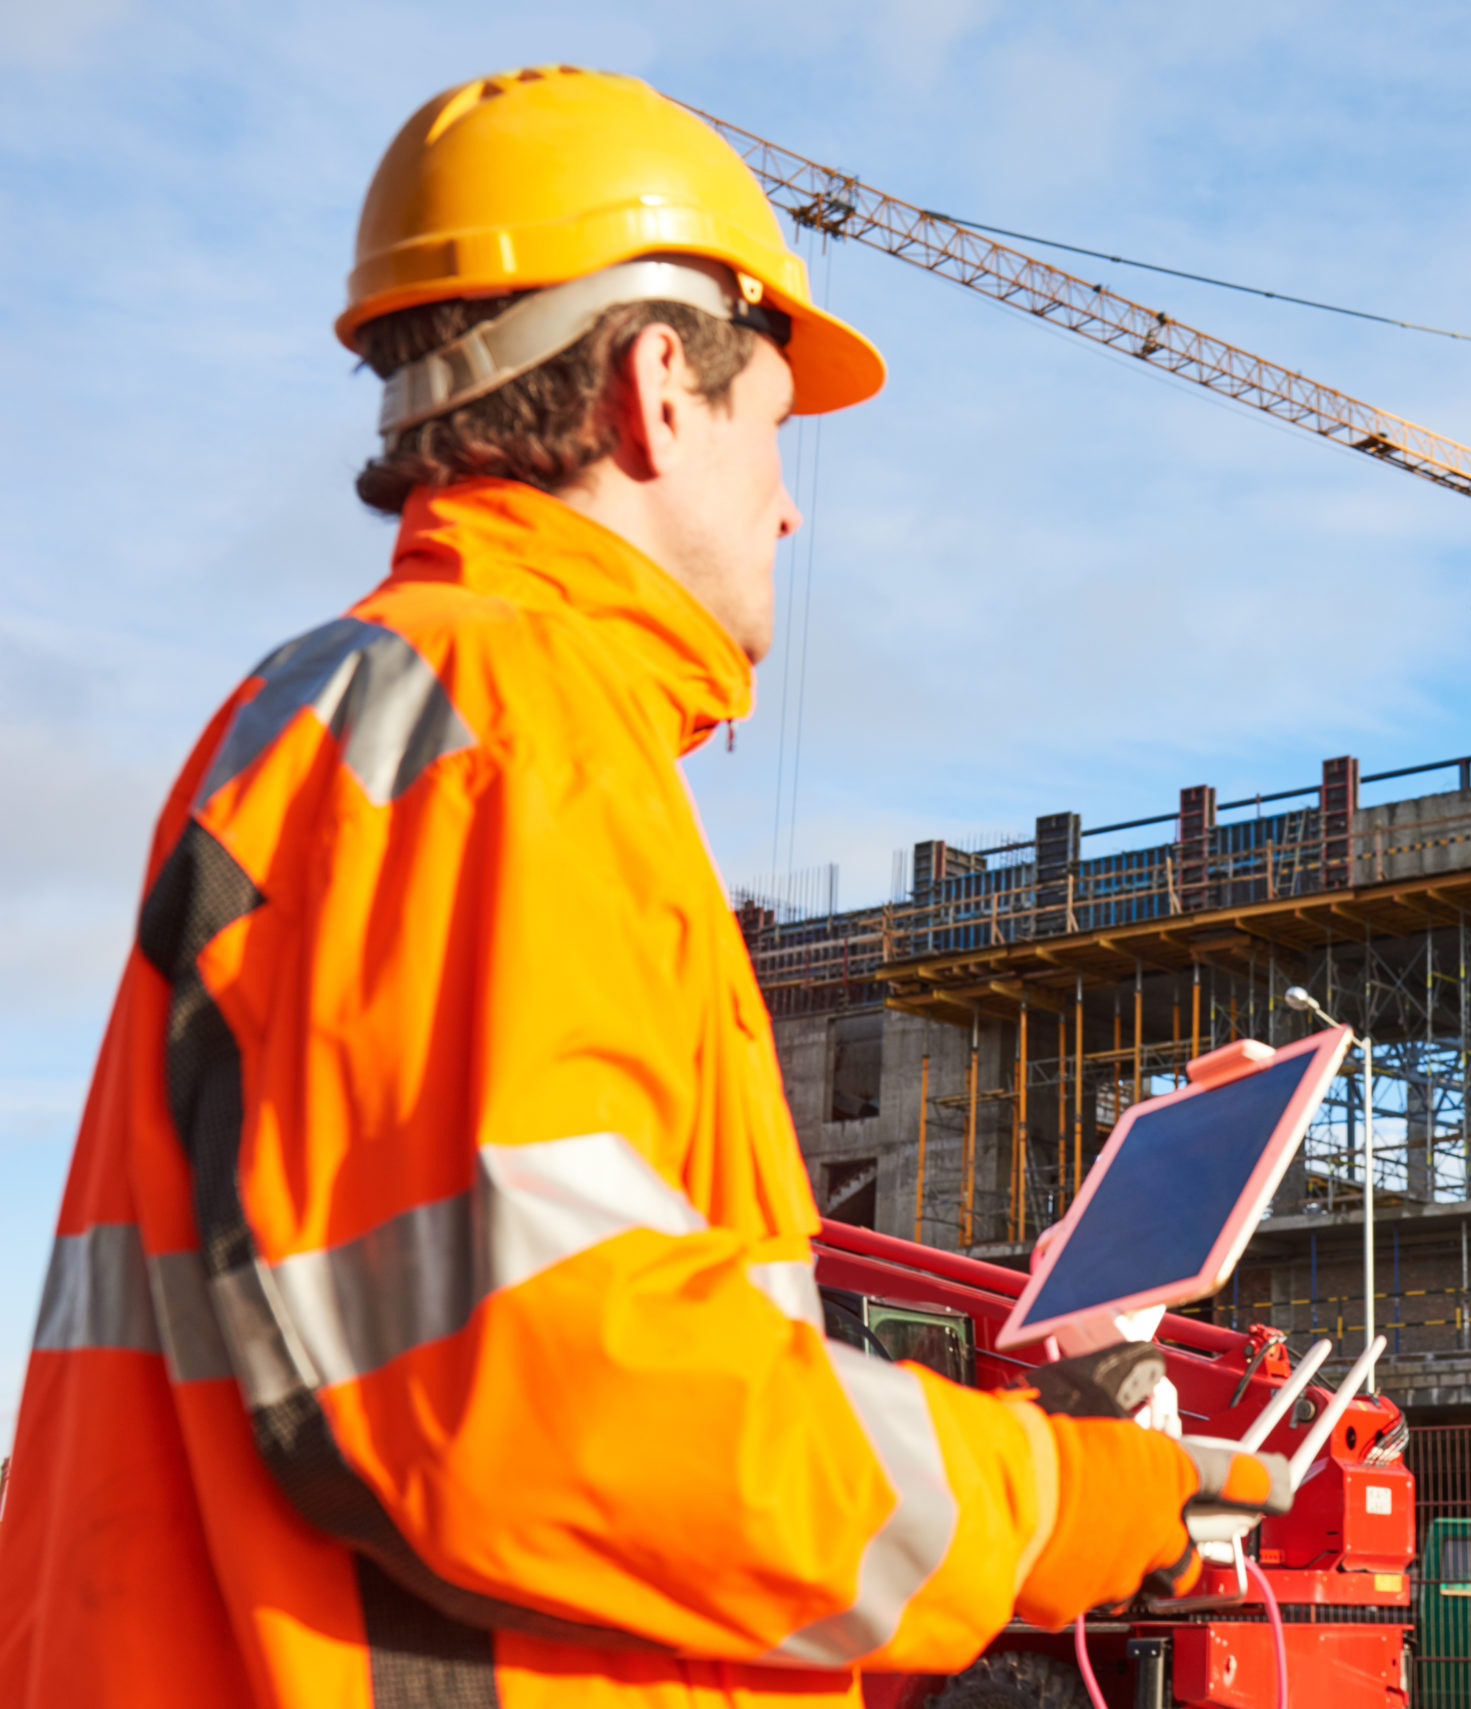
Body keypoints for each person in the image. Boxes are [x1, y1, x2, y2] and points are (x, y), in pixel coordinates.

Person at [0, 64, 1273, 1706]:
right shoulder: (507, 733)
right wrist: (1055, 1497)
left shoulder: (408, 724)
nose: (793, 501)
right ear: (661, 389)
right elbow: (552, 1384)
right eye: (777, 428)